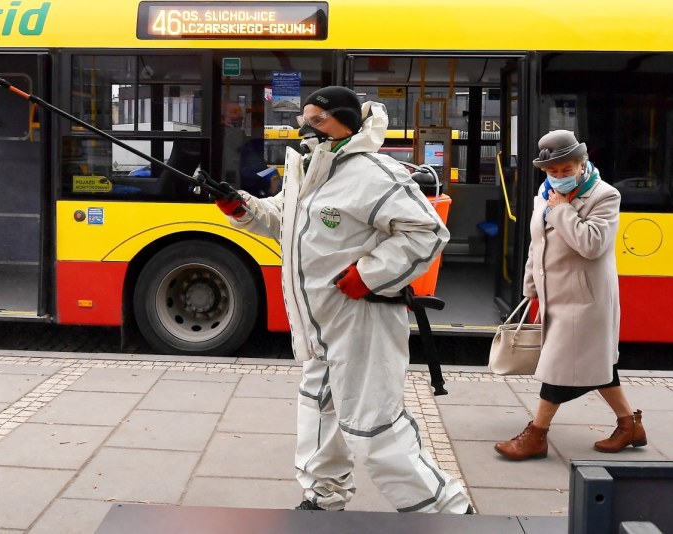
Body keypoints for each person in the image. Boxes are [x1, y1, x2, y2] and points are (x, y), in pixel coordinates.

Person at [215, 86, 473, 514]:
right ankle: (324, 495)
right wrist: (240, 206)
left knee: (374, 428)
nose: (306, 127)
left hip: (362, 322)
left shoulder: (374, 173)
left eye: (317, 119)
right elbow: (284, 220)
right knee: (318, 413)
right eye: (304, 118)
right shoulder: (308, 171)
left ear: (345, 123)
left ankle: (446, 512)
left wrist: (369, 275)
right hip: (320, 324)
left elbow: (427, 232)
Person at [494, 130, 647, 460]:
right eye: (552, 171)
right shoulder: (544, 192)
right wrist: (530, 289)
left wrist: (562, 210)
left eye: (566, 170)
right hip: (554, 296)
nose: (559, 177)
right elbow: (539, 243)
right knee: (595, 363)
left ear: (582, 163)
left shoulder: (604, 196)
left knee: (558, 367)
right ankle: (629, 425)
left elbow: (592, 245)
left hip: (585, 300)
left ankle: (536, 435)